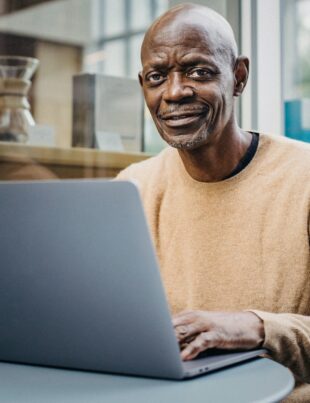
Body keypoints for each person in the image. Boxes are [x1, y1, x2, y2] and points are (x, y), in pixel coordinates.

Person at [116, 4, 310, 401]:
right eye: (157, 77)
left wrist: (257, 327)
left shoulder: (303, 178)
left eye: (198, 71)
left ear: (238, 77)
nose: (173, 92)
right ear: (143, 86)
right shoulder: (132, 189)